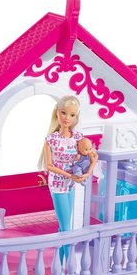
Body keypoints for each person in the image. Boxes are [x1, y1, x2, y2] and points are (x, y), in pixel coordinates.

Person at [41, 96, 96, 263]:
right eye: (63, 113)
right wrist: (70, 175)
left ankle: (58, 265)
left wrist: (88, 172)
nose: (67, 118)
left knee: (64, 226)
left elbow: (92, 156)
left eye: (72, 115)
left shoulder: (78, 137)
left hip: (71, 184)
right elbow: (49, 166)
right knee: (66, 228)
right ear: (57, 113)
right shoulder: (51, 139)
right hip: (58, 184)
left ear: (76, 117)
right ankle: (70, 264)